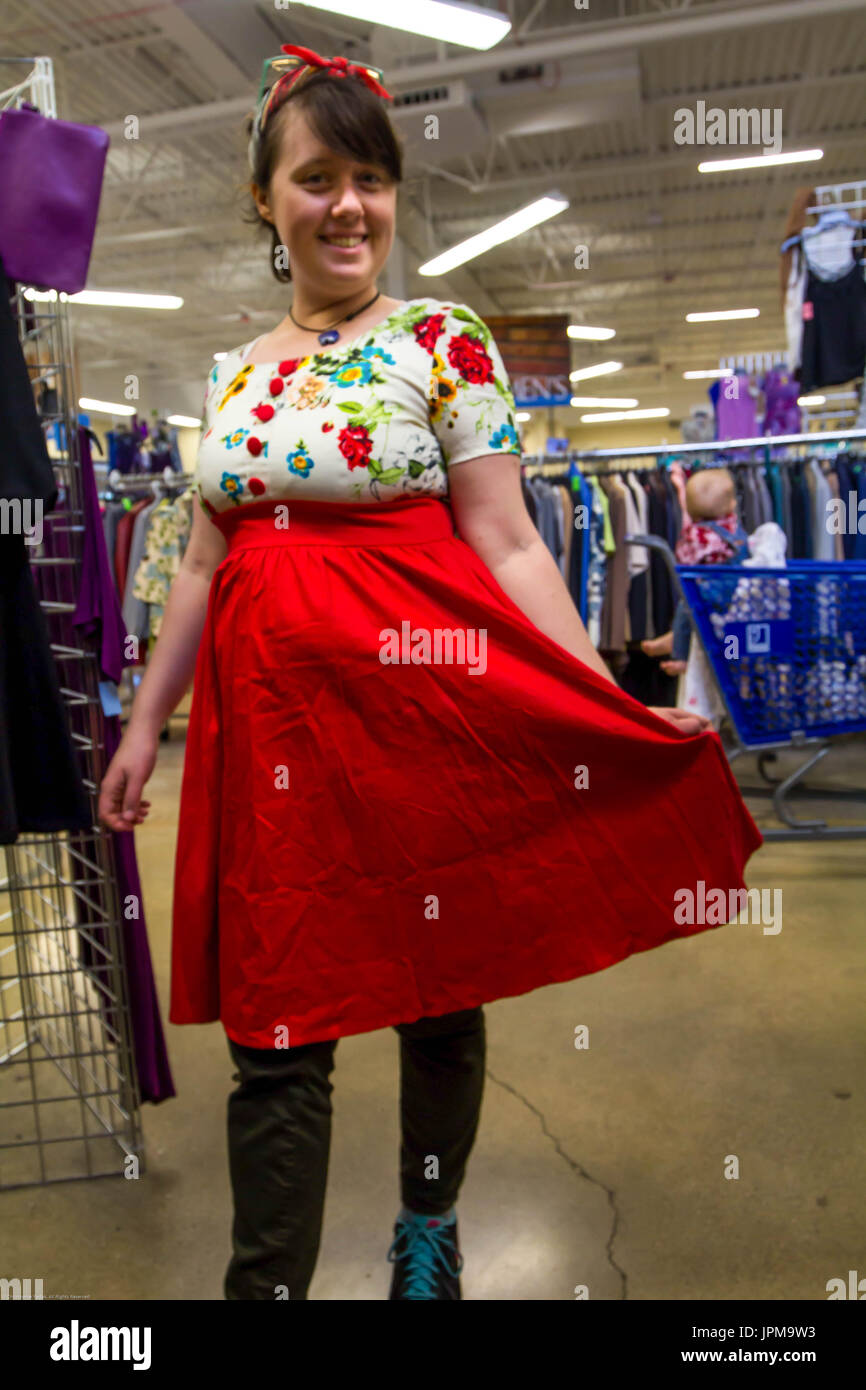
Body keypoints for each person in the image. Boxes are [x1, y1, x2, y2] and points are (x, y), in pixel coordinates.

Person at [98, 44, 762, 1301]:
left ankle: (425, 1227)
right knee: (277, 1026)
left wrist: (599, 695)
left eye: (371, 176)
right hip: (272, 735)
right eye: (317, 177)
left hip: (425, 711)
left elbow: (506, 539)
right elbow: (196, 566)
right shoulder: (233, 376)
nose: (348, 203)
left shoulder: (443, 340)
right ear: (265, 198)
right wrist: (144, 723)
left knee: (434, 989)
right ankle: (266, 1290)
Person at [642, 468, 749, 676]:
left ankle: (679, 651)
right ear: (731, 505)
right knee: (733, 625)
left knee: (687, 607)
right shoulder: (733, 524)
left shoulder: (693, 533)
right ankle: (733, 661)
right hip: (737, 589)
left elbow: (684, 559)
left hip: (707, 589)